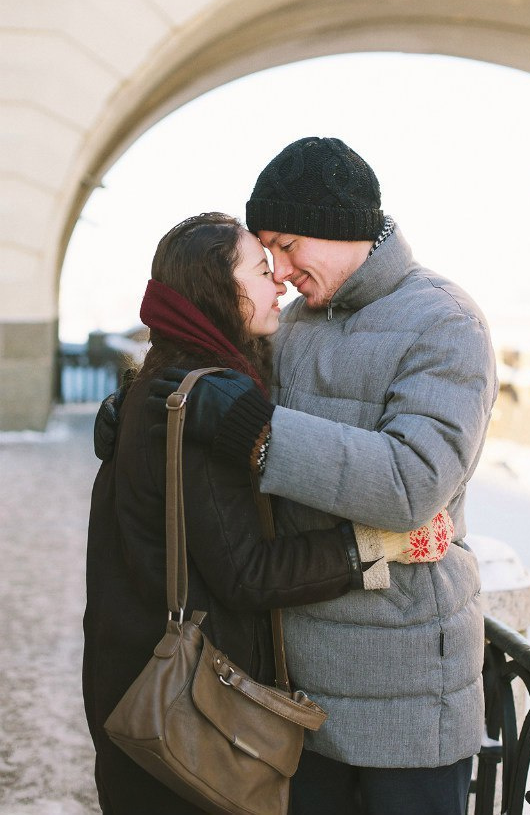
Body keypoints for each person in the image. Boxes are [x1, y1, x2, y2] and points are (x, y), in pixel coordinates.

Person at [151, 137, 498, 815]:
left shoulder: (445, 322)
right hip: (296, 695)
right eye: (267, 252)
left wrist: (258, 433)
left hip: (404, 699)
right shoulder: (295, 326)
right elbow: (208, 378)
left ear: (341, 231)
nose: (277, 269)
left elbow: (410, 483)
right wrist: (143, 414)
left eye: (285, 244)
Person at [83, 213, 428, 814]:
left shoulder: (156, 385)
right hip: (184, 714)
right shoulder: (201, 403)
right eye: (262, 270)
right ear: (219, 293)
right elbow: (248, 574)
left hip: (133, 683)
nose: (280, 285)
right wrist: (374, 545)